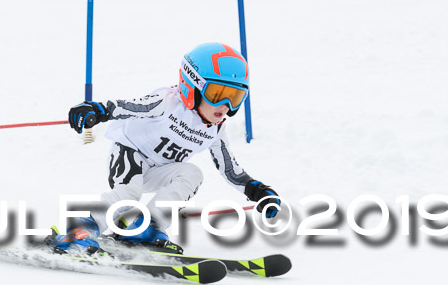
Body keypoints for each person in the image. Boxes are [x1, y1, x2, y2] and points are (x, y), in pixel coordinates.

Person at [49, 42, 281, 253]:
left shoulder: (216, 130)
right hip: (131, 153)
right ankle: (79, 230)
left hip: (160, 169)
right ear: (193, 86)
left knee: (192, 173)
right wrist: (98, 110)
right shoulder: (168, 102)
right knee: (129, 194)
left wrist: (257, 191)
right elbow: (130, 106)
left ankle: (146, 228)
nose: (225, 105)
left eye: (235, 96)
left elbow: (229, 169)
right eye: (217, 94)